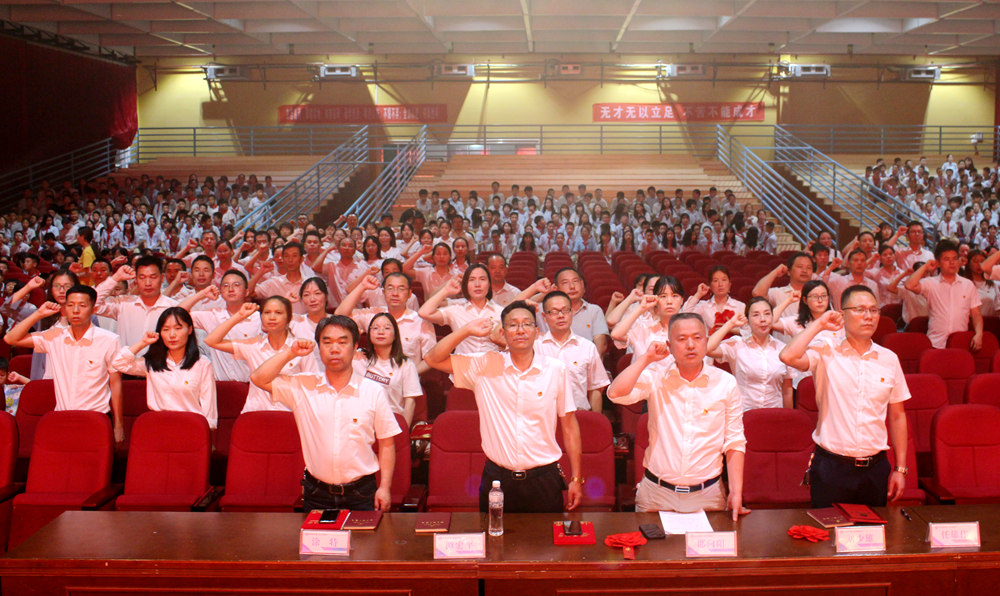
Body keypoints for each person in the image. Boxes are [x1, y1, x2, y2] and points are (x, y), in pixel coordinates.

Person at [423, 301, 583, 513]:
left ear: (536, 332)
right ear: (503, 332)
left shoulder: (556, 370)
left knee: (546, 545)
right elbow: (432, 359)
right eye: (513, 325)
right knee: (493, 542)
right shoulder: (484, 365)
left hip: (544, 478)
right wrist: (467, 330)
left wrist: (576, 479)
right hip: (497, 479)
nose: (520, 330)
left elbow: (570, 427)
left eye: (526, 324)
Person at [250, 315, 400, 512]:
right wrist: (290, 353)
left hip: (361, 492)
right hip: (316, 492)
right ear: (319, 347)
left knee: (364, 544)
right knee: (316, 543)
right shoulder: (303, 386)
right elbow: (258, 378)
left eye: (342, 342)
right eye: (326, 342)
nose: (334, 349)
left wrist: (385, 488)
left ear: (355, 346)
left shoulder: (373, 391)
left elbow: (387, 444)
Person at [779, 285, 910, 508]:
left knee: (872, 539)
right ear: (842, 313)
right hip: (832, 467)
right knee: (828, 539)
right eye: (860, 309)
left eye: (874, 310)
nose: (868, 316)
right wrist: (819, 324)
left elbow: (897, 416)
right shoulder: (826, 350)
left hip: (875, 469)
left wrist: (900, 469)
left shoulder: (889, 359)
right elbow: (788, 356)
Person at [607, 313, 747, 519]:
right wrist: (646, 359)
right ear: (669, 345)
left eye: (697, 338)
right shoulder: (656, 376)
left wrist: (736, 492)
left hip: (708, 494)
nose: (690, 345)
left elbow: (734, 441)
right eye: (681, 339)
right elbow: (615, 394)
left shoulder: (725, 383)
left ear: (706, 341)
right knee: (652, 551)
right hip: (656, 493)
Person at [4, 285, 124, 442]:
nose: (75, 310)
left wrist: (118, 425)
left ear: (93, 309)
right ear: (64, 309)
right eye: (70, 305)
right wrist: (38, 314)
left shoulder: (109, 340)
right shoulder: (54, 337)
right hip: (62, 416)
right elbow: (10, 339)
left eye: (82, 305)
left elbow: (115, 385)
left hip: (97, 417)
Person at [204, 298, 319, 413]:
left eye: (278, 313)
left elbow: (312, 388)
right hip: (256, 413)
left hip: (291, 414)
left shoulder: (301, 348)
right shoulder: (253, 345)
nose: (272, 317)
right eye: (267, 313)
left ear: (289, 318)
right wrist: (239, 316)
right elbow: (211, 340)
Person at [112, 307, 217, 429]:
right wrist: (143, 343)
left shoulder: (202, 364)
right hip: (158, 426)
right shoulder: (153, 362)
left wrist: (204, 435)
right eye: (165, 329)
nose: (172, 335)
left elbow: (209, 413)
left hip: (190, 427)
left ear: (189, 329)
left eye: (178, 328)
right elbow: (118, 363)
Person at [707, 297, 793, 410]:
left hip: (775, 414)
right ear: (747, 320)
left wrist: (787, 418)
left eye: (767, 314)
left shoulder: (783, 349)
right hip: (744, 413)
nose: (763, 319)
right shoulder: (737, 345)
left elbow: (787, 391)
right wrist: (730, 324)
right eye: (756, 315)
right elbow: (707, 349)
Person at [336, 273, 435, 369]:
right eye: (390, 288)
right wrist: (362, 286)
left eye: (401, 289)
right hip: (373, 378)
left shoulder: (421, 322)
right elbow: (340, 315)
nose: (395, 294)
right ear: (383, 292)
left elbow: (431, 359)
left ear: (409, 294)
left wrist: (408, 375)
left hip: (404, 382)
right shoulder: (374, 314)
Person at [179, 269, 261, 382]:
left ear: (246, 292)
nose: (230, 289)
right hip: (220, 385)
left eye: (236, 285)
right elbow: (177, 314)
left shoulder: (258, 318)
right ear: (221, 291)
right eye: (226, 286)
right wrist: (202, 294)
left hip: (252, 386)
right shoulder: (213, 315)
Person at [534, 291, 610, 412]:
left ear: (571, 313)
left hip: (579, 415)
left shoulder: (587, 347)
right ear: (544, 317)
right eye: (554, 312)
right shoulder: (535, 346)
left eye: (565, 310)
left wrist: (595, 420)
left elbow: (595, 388)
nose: (560, 316)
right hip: (543, 417)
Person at [904, 240, 983, 349]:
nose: (952, 263)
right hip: (935, 343)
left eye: (955, 258)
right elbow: (909, 285)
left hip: (960, 343)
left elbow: (976, 314)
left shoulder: (968, 284)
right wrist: (926, 267)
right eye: (947, 259)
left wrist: (979, 334)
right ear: (938, 263)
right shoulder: (931, 283)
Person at [95, 256, 179, 351]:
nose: (148, 283)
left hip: (160, 365)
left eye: (153, 277)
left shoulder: (174, 307)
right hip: (125, 363)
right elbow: (92, 304)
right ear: (136, 280)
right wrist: (115, 278)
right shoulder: (124, 303)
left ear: (162, 278)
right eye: (142, 277)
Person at [354, 313, 422, 426]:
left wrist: (403, 433)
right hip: (361, 421)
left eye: (387, 328)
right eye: (375, 328)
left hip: (391, 422)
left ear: (395, 334)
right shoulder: (357, 358)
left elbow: (410, 403)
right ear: (369, 333)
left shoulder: (405, 364)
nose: (381, 332)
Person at [418, 265, 504, 354]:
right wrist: (446, 291)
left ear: (489, 284)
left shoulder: (501, 312)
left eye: (482, 279)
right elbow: (423, 312)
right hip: (461, 364)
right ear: (465, 285)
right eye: (472, 280)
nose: (477, 284)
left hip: (491, 364)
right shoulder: (456, 309)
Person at [550, 267, 611, 356]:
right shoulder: (546, 311)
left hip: (586, 364)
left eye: (575, 281)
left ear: (582, 284)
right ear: (556, 288)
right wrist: (546, 293)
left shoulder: (594, 310)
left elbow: (601, 346)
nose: (572, 287)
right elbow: (523, 305)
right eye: (565, 283)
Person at [683, 265, 746, 335]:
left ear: (729, 284)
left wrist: (734, 330)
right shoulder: (703, 306)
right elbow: (684, 318)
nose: (720, 284)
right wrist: (698, 295)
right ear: (710, 286)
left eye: (724, 280)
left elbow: (749, 332)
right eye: (715, 281)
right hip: (710, 344)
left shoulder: (740, 306)